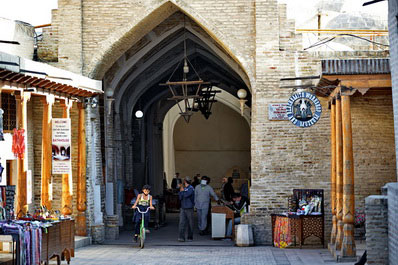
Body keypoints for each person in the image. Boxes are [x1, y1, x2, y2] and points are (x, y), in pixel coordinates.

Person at [178, 176, 195, 242]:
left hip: (189, 208)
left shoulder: (191, 188)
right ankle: (181, 237)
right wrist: (181, 191)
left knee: (190, 223)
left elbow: (186, 195)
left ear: (185, 181)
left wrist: (182, 191)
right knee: (181, 223)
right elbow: (180, 197)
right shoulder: (184, 188)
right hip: (183, 207)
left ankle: (190, 237)